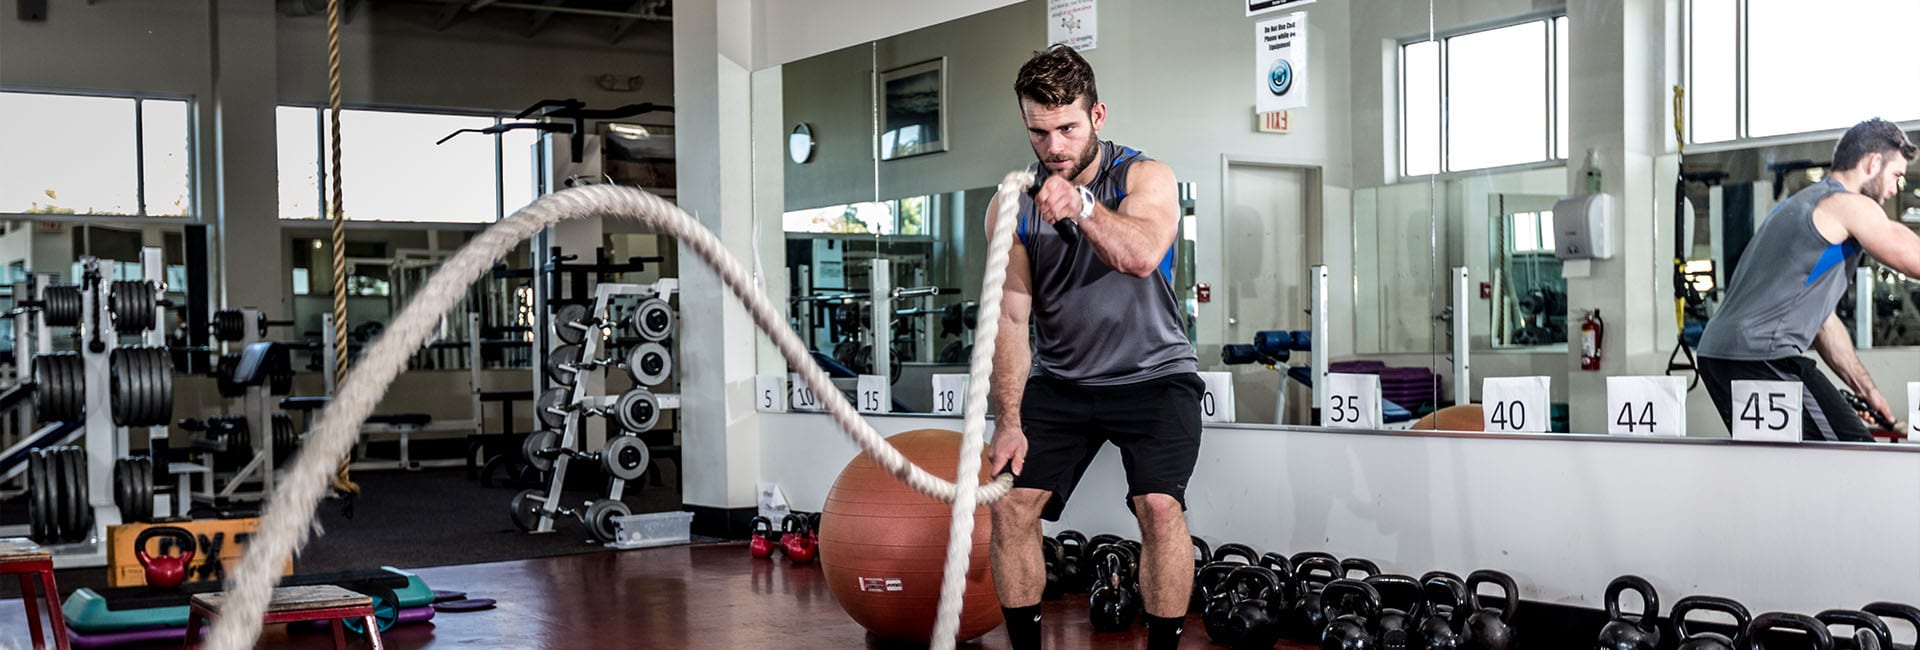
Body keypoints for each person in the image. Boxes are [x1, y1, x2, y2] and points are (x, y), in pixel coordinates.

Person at [984, 45, 1200, 650]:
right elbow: (1010, 318)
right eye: (1039, 131)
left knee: (1159, 507)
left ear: (1097, 116)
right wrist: (1008, 421)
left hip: (1155, 375)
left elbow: (1141, 256)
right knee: (1009, 506)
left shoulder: (1144, 177)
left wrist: (1081, 206)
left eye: (1068, 129)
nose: (1054, 146)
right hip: (1063, 383)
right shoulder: (1010, 205)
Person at [1697, 118, 1918, 441]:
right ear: (1873, 163)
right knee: (1856, 454)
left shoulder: (1801, 204)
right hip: (1761, 355)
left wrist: (1869, 391)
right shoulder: (1846, 204)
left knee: (1785, 459)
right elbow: (1912, 257)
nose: (1896, 188)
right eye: (1896, 175)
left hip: (1719, 357)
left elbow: (1822, 323)